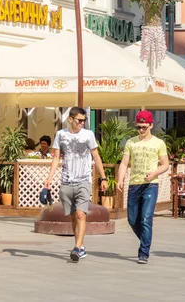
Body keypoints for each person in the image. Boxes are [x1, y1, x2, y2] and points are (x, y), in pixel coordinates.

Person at [44, 106, 107, 263]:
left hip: (83, 180)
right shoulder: (61, 135)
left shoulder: (88, 135)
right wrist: (49, 178)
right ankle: (80, 245)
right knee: (73, 216)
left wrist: (103, 177)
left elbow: (96, 156)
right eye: (79, 120)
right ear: (70, 119)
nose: (82, 123)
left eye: (84, 121)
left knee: (80, 214)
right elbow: (57, 157)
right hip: (66, 181)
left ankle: (77, 248)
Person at [117, 110, 169, 264]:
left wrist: (154, 173)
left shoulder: (159, 143)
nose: (140, 130)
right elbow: (125, 162)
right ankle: (146, 240)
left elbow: (165, 164)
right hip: (134, 184)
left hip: (150, 185)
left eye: (144, 127)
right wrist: (120, 178)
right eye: (138, 127)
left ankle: (143, 252)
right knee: (132, 220)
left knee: (146, 219)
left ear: (151, 126)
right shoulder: (131, 142)